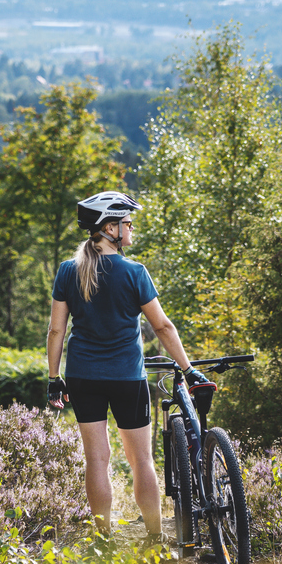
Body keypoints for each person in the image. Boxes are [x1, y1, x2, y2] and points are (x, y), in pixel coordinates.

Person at [46, 190, 213, 540]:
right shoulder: (135, 272)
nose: (132, 229)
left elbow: (56, 329)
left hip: (82, 375)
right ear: (110, 228)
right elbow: (163, 326)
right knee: (141, 460)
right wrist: (188, 369)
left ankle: (102, 538)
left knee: (97, 459)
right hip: (127, 377)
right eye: (127, 223)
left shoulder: (67, 271)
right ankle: (154, 536)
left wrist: (53, 377)